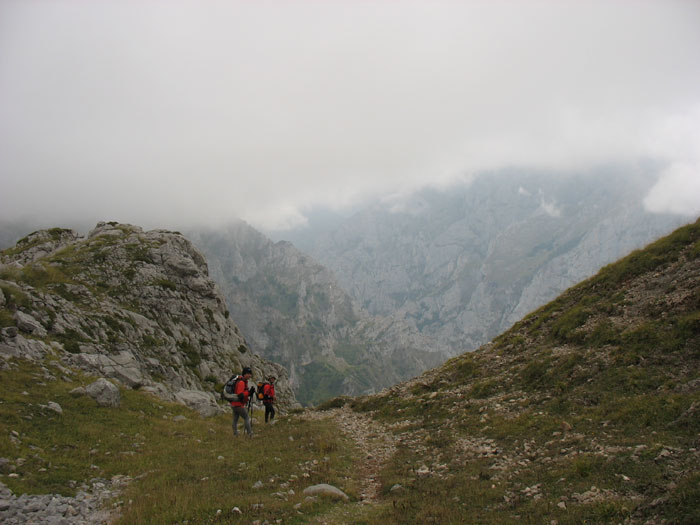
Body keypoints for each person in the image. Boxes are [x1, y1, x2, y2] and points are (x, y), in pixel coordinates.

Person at [231, 367, 254, 437]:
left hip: (234, 404)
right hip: (238, 404)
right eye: (248, 374)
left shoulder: (241, 381)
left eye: (250, 374)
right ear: (244, 374)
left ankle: (235, 434)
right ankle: (250, 434)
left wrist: (248, 392)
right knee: (246, 418)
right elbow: (240, 394)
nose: (250, 375)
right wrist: (248, 392)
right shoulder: (241, 382)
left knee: (235, 419)